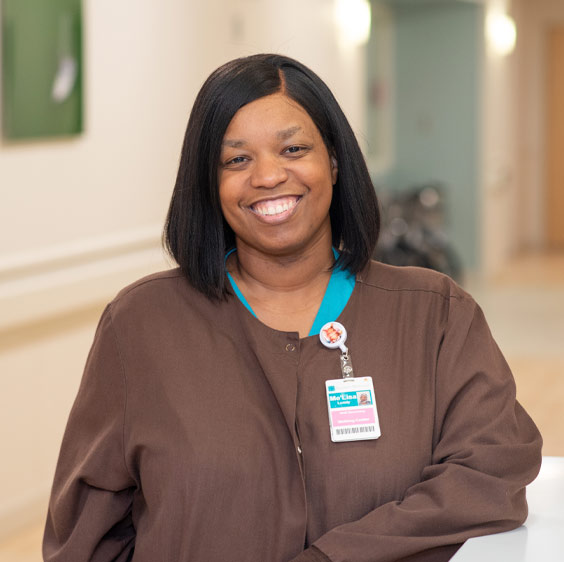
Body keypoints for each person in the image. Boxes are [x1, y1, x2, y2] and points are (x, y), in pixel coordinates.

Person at [43, 53, 542, 562]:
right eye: (237, 159)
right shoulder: (141, 325)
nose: (267, 176)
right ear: (209, 184)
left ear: (333, 159)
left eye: (293, 148)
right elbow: (85, 535)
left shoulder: (434, 314)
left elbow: (492, 470)